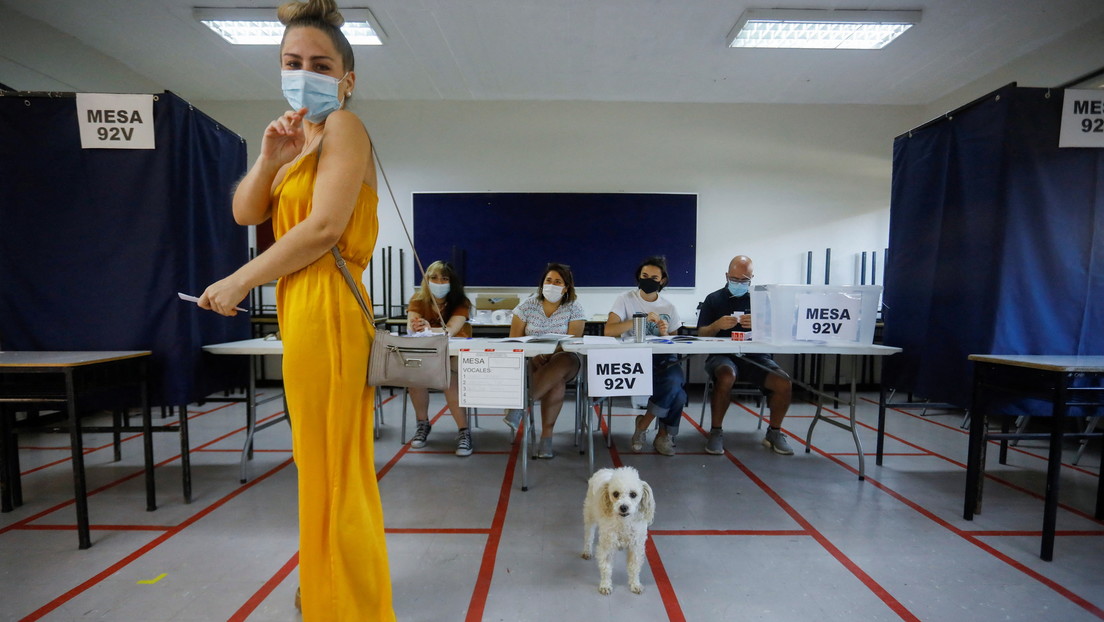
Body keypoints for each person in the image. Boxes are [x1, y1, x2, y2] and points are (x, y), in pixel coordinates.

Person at [197, 0, 394, 618]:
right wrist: (268, 158)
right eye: (291, 61)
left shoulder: (345, 129)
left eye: (320, 63)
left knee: (337, 467)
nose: (304, 72)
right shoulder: (299, 137)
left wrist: (236, 282)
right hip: (303, 309)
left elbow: (323, 229)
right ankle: (327, 591)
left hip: (330, 309)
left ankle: (349, 605)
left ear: (347, 78)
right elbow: (246, 213)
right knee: (318, 465)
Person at [696, 255, 794, 456]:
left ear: (752, 278)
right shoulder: (713, 299)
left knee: (784, 382)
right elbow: (701, 333)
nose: (739, 284)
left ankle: (774, 432)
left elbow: (778, 332)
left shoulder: (762, 300)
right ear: (726, 276)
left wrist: (761, 325)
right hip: (721, 356)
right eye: (735, 279)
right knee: (726, 376)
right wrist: (716, 325)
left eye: (744, 280)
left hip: (755, 356)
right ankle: (716, 432)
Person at [503, 263, 587, 458]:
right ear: (542, 284)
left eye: (558, 281)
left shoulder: (575, 307)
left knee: (561, 362)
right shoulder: (527, 306)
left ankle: (520, 406)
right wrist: (537, 354)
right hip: (533, 360)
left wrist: (549, 353)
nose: (552, 285)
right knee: (555, 383)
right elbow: (514, 339)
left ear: (566, 287)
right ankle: (546, 439)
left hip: (566, 360)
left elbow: (573, 341)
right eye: (548, 280)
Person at [605, 256, 686, 456]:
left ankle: (644, 425)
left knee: (675, 381)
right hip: (633, 359)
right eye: (644, 276)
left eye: (654, 277)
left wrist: (665, 332)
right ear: (638, 277)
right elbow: (609, 330)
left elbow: (675, 342)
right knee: (678, 390)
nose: (649, 280)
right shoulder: (625, 299)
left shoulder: (669, 307)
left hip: (663, 358)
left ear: (663, 280)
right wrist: (637, 321)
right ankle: (663, 434)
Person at [406, 260, 475, 456]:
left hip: (454, 356)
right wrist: (416, 326)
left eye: (444, 278)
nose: (439, 281)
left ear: (452, 282)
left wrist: (430, 328)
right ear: (426, 280)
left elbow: (451, 330)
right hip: (428, 355)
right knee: (414, 376)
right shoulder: (418, 300)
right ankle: (422, 425)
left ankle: (463, 431)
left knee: (450, 377)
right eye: (434, 277)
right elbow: (412, 326)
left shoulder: (461, 302)